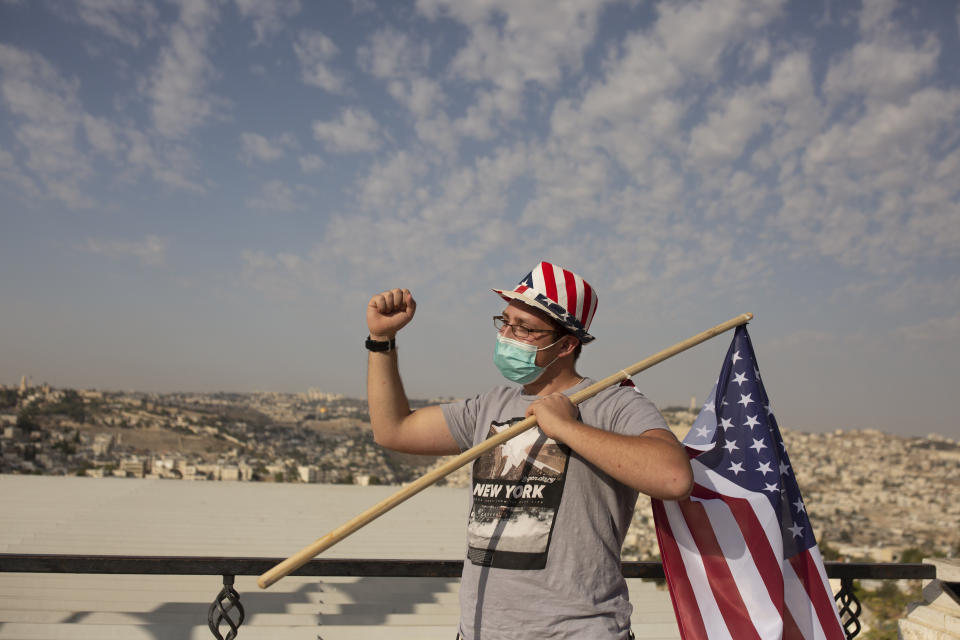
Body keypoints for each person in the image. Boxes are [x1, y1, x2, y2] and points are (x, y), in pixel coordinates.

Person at [365, 261, 693, 640]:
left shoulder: (613, 404)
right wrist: (380, 341)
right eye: (505, 321)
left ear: (567, 344)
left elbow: (673, 476)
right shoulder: (490, 406)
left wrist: (567, 428)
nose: (507, 335)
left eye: (525, 328)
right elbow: (393, 430)